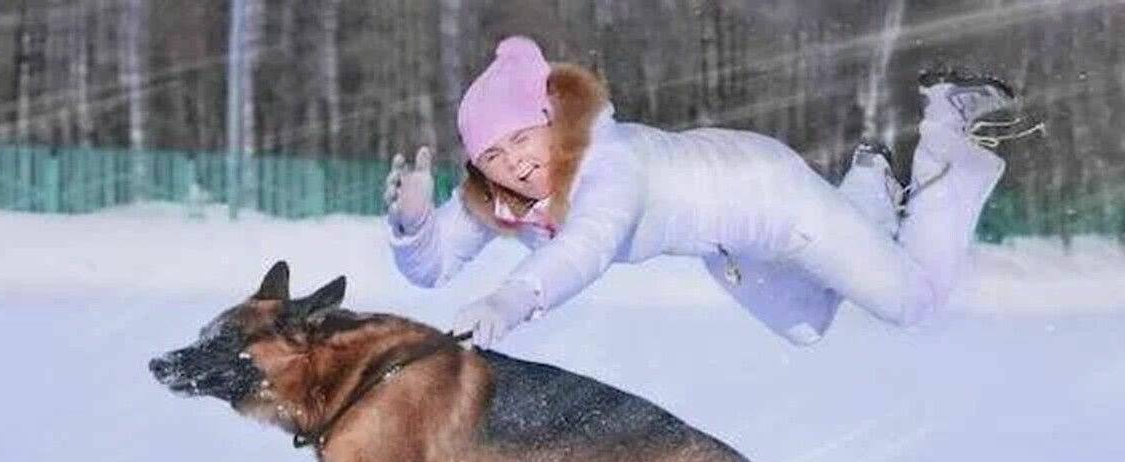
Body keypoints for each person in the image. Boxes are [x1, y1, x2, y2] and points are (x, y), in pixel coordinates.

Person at [384, 36, 1041, 348]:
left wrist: (510, 298)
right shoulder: (504, 196)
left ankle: (947, 133)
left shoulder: (610, 164)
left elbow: (587, 247)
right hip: (727, 245)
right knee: (807, 327)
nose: (515, 165)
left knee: (913, 302)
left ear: (550, 119)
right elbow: (434, 267)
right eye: (494, 156)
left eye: (520, 139)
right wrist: (415, 227)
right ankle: (869, 182)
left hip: (774, 197)